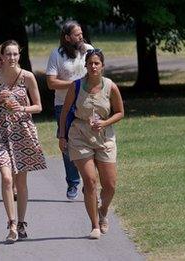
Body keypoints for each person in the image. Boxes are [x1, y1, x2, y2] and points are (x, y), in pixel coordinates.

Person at [0, 40, 47, 244]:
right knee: (7, 178)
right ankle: (11, 223)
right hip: (0, 131)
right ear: (1, 57)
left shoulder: (27, 77)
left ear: (19, 55)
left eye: (15, 54)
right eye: (8, 54)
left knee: (21, 181)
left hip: (23, 131)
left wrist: (23, 109)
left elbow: (38, 106)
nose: (12, 58)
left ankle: (21, 223)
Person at [58, 49, 124, 239]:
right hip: (79, 135)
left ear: (102, 66)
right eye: (90, 63)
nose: (93, 66)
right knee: (90, 181)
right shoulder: (76, 86)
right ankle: (94, 225)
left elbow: (120, 112)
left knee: (110, 185)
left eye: (97, 63)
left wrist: (105, 122)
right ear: (85, 65)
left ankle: (102, 210)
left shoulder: (110, 86)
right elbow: (65, 112)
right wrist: (62, 135)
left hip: (104, 137)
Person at [46, 20, 94, 200]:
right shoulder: (56, 55)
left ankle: (89, 181)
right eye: (76, 34)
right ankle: (73, 182)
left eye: (81, 33)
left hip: (88, 104)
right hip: (63, 105)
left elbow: (97, 73)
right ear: (67, 37)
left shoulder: (89, 49)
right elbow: (51, 83)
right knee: (66, 144)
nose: (81, 37)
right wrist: (75, 85)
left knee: (90, 141)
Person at [0, 44, 18, 201]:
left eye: (4, 57)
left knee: (14, 160)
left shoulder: (19, 75)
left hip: (16, 125)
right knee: (5, 163)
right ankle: (9, 185)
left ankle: (13, 186)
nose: (2, 61)